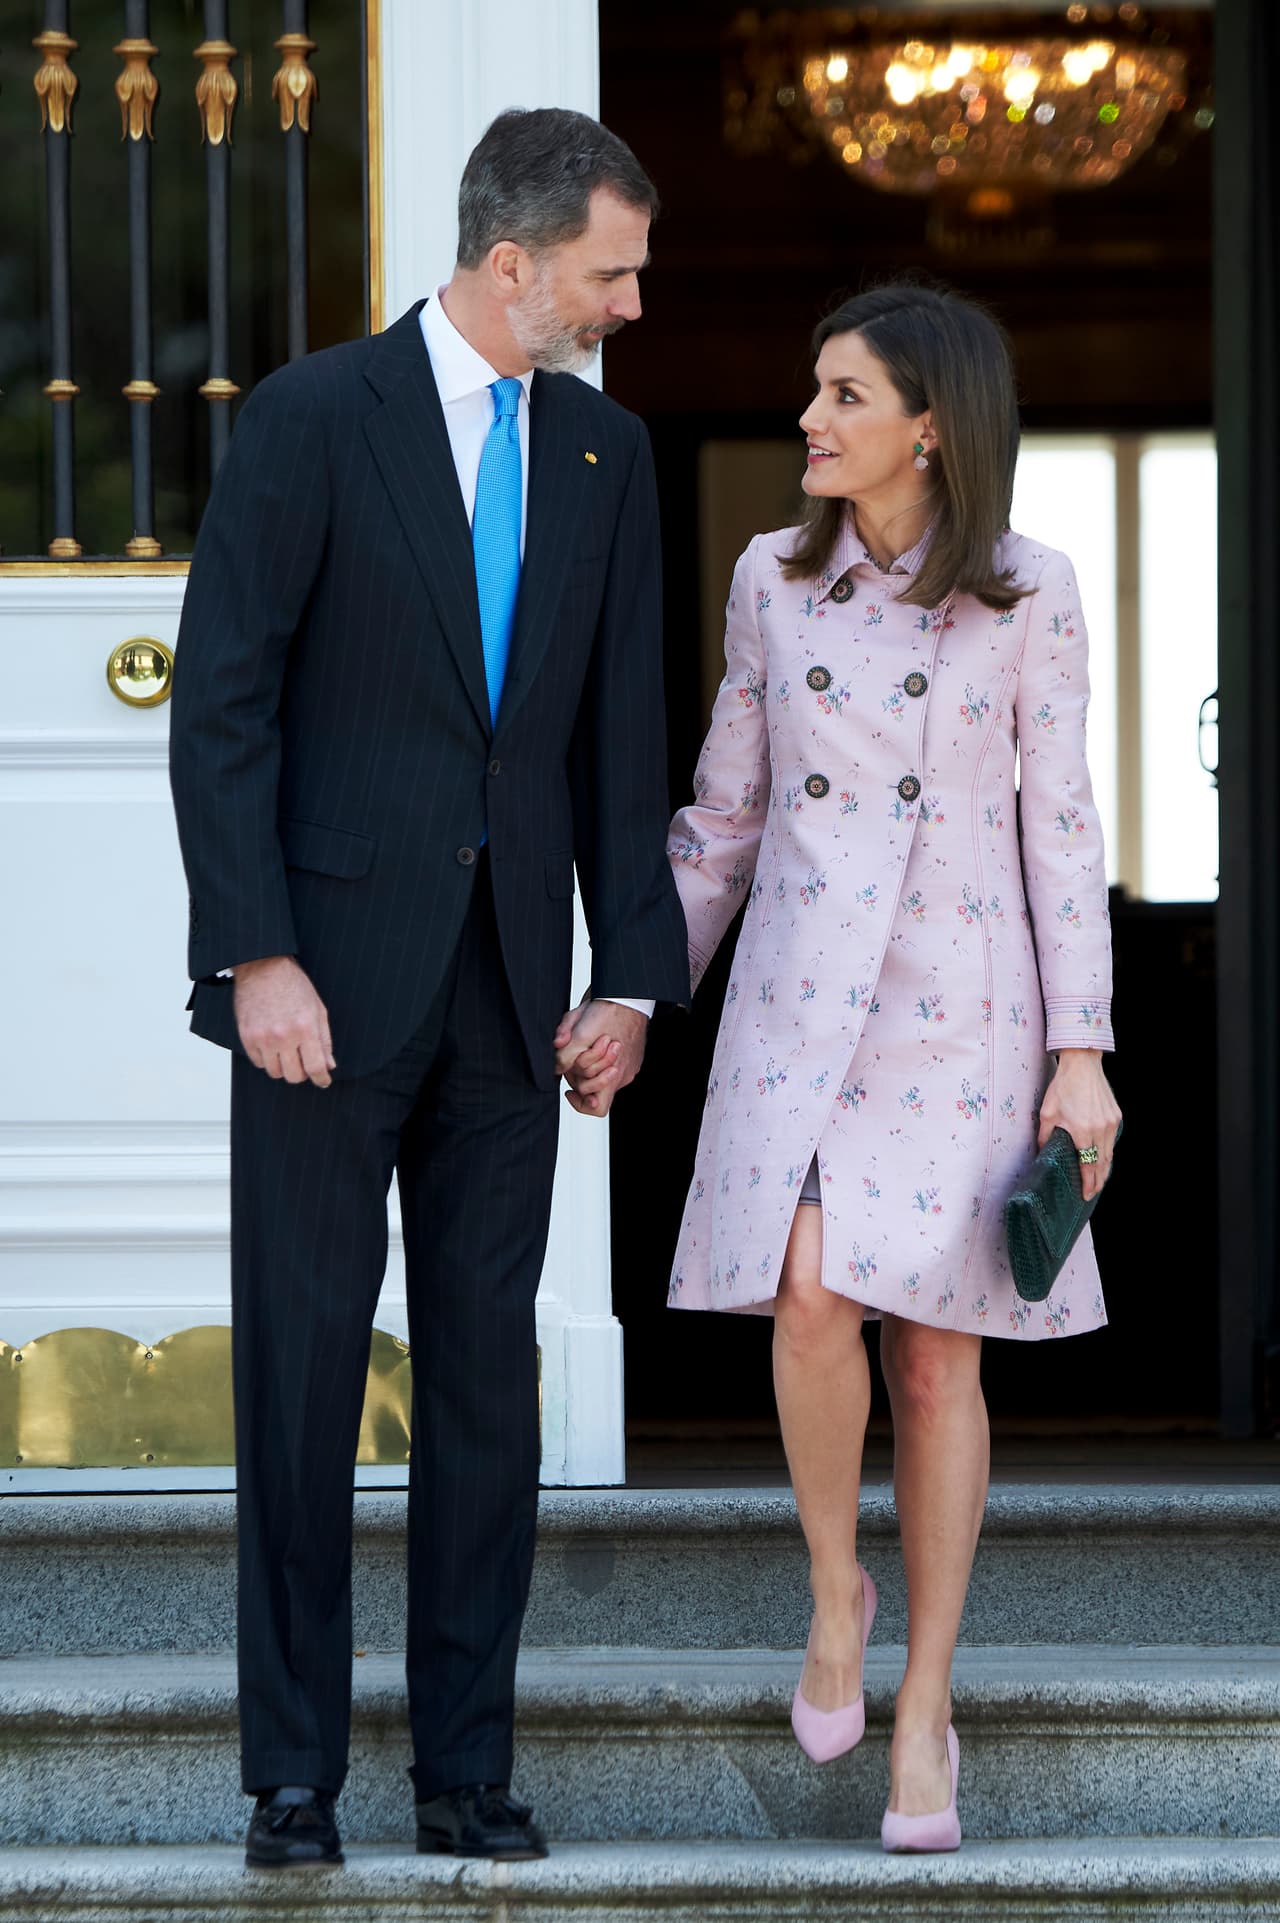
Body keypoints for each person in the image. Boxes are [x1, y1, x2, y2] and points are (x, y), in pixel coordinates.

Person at [169, 106, 688, 1870]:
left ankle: (467, 1771)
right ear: (513, 260)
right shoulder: (314, 420)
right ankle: (291, 1779)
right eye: (611, 270)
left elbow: (628, 743)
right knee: (305, 1386)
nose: (631, 301)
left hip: (513, 1010)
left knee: (489, 1392)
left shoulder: (612, 455)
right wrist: (254, 954)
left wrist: (633, 978)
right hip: (317, 996)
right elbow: (222, 702)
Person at [658, 282, 1121, 1851]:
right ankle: (831, 1590)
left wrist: (1083, 1055)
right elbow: (724, 816)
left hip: (963, 1007)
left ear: (930, 423)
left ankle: (925, 1701)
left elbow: (1063, 826)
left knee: (937, 1354)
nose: (811, 419)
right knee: (805, 1293)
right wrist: (634, 990)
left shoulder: (1033, 591)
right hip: (800, 997)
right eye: (813, 391)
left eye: (844, 395)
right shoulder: (772, 585)